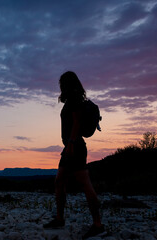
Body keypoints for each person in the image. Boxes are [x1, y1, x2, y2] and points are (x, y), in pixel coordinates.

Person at [43, 71, 105, 239]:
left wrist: (70, 144)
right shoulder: (72, 100)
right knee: (59, 181)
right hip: (71, 146)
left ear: (68, 84)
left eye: (62, 83)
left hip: (75, 146)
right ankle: (60, 218)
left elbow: (77, 122)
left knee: (85, 184)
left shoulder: (75, 99)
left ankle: (98, 225)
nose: (60, 86)